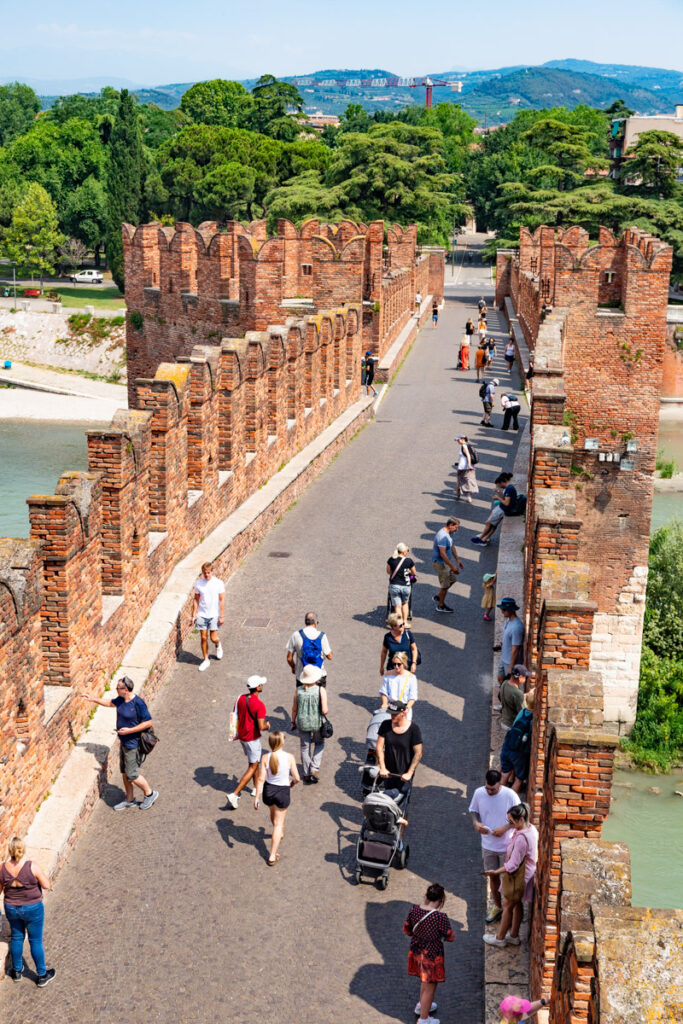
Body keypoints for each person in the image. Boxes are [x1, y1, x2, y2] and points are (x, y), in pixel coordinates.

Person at [82, 677, 158, 810]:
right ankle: (129, 799)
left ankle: (149, 794)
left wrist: (130, 731)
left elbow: (148, 722)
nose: (116, 690)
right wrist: (93, 699)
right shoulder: (121, 700)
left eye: (118, 688)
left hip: (133, 744)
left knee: (132, 774)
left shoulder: (138, 703)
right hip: (124, 743)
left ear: (126, 690)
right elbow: (109, 703)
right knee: (124, 772)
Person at [469, 769, 520, 926]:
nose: (490, 792)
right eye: (488, 788)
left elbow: (521, 818)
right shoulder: (479, 793)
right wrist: (476, 823)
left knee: (509, 879)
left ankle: (508, 909)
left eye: (493, 789)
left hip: (507, 846)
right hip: (488, 845)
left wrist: (505, 828)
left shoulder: (510, 796)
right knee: (492, 876)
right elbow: (473, 811)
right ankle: (498, 907)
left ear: (500, 784)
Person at [1, 837, 55, 986]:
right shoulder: (32, 866)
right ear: (23, 850)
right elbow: (46, 885)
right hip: (33, 909)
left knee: (17, 938)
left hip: (12, 908)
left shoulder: (2, 868)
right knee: (35, 941)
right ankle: (42, 975)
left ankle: (17, 971)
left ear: (10, 850)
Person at [483, 801, 538, 947]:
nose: (510, 824)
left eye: (512, 822)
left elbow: (512, 865)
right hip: (527, 873)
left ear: (520, 820)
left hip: (519, 877)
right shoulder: (531, 829)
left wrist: (495, 872)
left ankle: (500, 938)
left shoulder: (520, 839)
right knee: (516, 904)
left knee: (507, 905)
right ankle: (513, 935)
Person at [403, 882, 455, 1024]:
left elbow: (407, 929)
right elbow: (450, 936)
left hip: (416, 952)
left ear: (426, 896)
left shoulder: (414, 910)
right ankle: (424, 1019)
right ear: (440, 900)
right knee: (430, 987)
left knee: (423, 982)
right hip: (431, 955)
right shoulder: (440, 917)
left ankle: (422, 1006)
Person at [254, 732, 300, 866]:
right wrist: (292, 783)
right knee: (279, 824)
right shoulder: (289, 757)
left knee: (273, 813)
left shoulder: (265, 757)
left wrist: (256, 797)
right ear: (282, 743)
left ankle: (277, 832)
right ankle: (272, 855)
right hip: (282, 792)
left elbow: (261, 779)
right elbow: (297, 778)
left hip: (268, 792)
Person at [226, 675, 270, 809]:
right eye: (261, 684)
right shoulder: (260, 705)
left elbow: (235, 714)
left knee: (253, 763)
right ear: (257, 687)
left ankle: (256, 788)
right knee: (253, 766)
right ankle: (235, 794)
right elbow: (261, 726)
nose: (263, 686)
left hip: (242, 736)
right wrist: (268, 725)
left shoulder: (240, 698)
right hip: (252, 739)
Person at [376, 700, 422, 800]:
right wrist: (382, 767)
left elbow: (418, 753)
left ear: (403, 713)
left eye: (395, 714)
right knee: (388, 798)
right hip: (388, 772)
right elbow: (379, 747)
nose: (392, 716)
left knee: (401, 798)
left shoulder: (413, 729)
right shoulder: (385, 725)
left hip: (404, 774)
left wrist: (410, 773)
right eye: (391, 714)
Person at [291, 664, 328, 783]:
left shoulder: (299, 690)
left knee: (304, 747)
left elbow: (294, 708)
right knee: (319, 743)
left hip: (302, 722)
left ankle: (306, 773)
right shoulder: (320, 690)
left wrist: (293, 721)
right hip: (317, 722)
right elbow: (324, 710)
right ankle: (314, 767)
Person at [191, 561, 225, 672]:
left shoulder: (218, 583)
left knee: (213, 638)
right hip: (202, 614)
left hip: (214, 614)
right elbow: (196, 599)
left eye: (208, 573)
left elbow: (221, 600)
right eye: (205, 573)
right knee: (203, 637)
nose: (207, 575)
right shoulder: (199, 584)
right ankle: (206, 660)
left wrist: (221, 616)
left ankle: (218, 644)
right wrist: (194, 614)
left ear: (212, 571)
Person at [500, 691, 535, 792]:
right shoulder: (533, 719)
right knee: (519, 779)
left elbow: (514, 724)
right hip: (520, 753)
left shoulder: (523, 711)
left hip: (508, 746)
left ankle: (499, 796)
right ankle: (511, 804)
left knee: (504, 774)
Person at [286, 612, 332, 686]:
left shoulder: (296, 635)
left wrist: (294, 668)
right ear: (315, 622)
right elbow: (330, 656)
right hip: (319, 675)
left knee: (300, 697)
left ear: (305, 622)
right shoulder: (322, 636)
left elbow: (289, 658)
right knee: (322, 696)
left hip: (302, 675)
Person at [472, 473, 518, 546]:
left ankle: (481, 538)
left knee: (489, 523)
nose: (499, 486)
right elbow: (504, 497)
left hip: (503, 508)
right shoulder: (508, 488)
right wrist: (498, 492)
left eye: (499, 485)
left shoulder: (509, 489)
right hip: (501, 507)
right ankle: (484, 538)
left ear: (502, 482)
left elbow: (506, 503)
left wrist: (497, 498)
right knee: (492, 524)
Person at [431, 517, 464, 614]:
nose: (457, 530)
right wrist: (453, 566)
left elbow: (452, 545)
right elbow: (443, 554)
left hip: (446, 563)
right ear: (450, 525)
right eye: (456, 527)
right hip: (441, 564)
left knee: (453, 580)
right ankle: (440, 605)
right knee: (445, 586)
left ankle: (438, 596)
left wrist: (457, 559)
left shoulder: (449, 533)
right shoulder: (442, 536)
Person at [380, 652, 418, 721]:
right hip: (391, 708)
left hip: (404, 708)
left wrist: (407, 708)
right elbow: (384, 691)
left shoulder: (411, 678)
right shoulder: (388, 675)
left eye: (399, 664)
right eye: (394, 664)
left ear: (404, 664)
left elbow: (413, 696)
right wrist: (384, 703)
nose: (396, 666)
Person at [386, 542, 417, 625]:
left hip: (394, 585)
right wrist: (408, 573)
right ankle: (405, 622)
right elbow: (414, 573)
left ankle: (399, 624)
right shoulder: (409, 561)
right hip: (406, 586)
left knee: (397, 606)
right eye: (407, 550)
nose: (407, 551)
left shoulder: (391, 560)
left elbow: (388, 572)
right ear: (404, 552)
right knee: (405, 603)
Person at [497, 598, 525, 684]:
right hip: (504, 658)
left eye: (504, 609)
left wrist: (511, 667)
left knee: (510, 685)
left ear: (511, 610)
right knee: (500, 679)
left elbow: (515, 649)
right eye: (502, 609)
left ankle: (506, 696)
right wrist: (502, 645)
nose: (502, 611)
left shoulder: (516, 628)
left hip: (510, 662)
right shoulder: (508, 620)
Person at [499, 665, 528, 730]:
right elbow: (523, 714)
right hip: (512, 725)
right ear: (520, 678)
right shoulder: (518, 694)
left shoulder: (505, 683)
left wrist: (524, 696)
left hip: (504, 720)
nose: (525, 679)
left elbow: (500, 697)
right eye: (525, 677)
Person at [455, 435, 478, 503]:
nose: (457, 441)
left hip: (464, 467)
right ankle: (468, 495)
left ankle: (458, 492)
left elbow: (468, 455)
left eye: (458, 440)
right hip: (467, 466)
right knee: (470, 480)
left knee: (460, 479)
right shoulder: (468, 446)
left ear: (462, 439)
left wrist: (468, 465)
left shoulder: (464, 446)